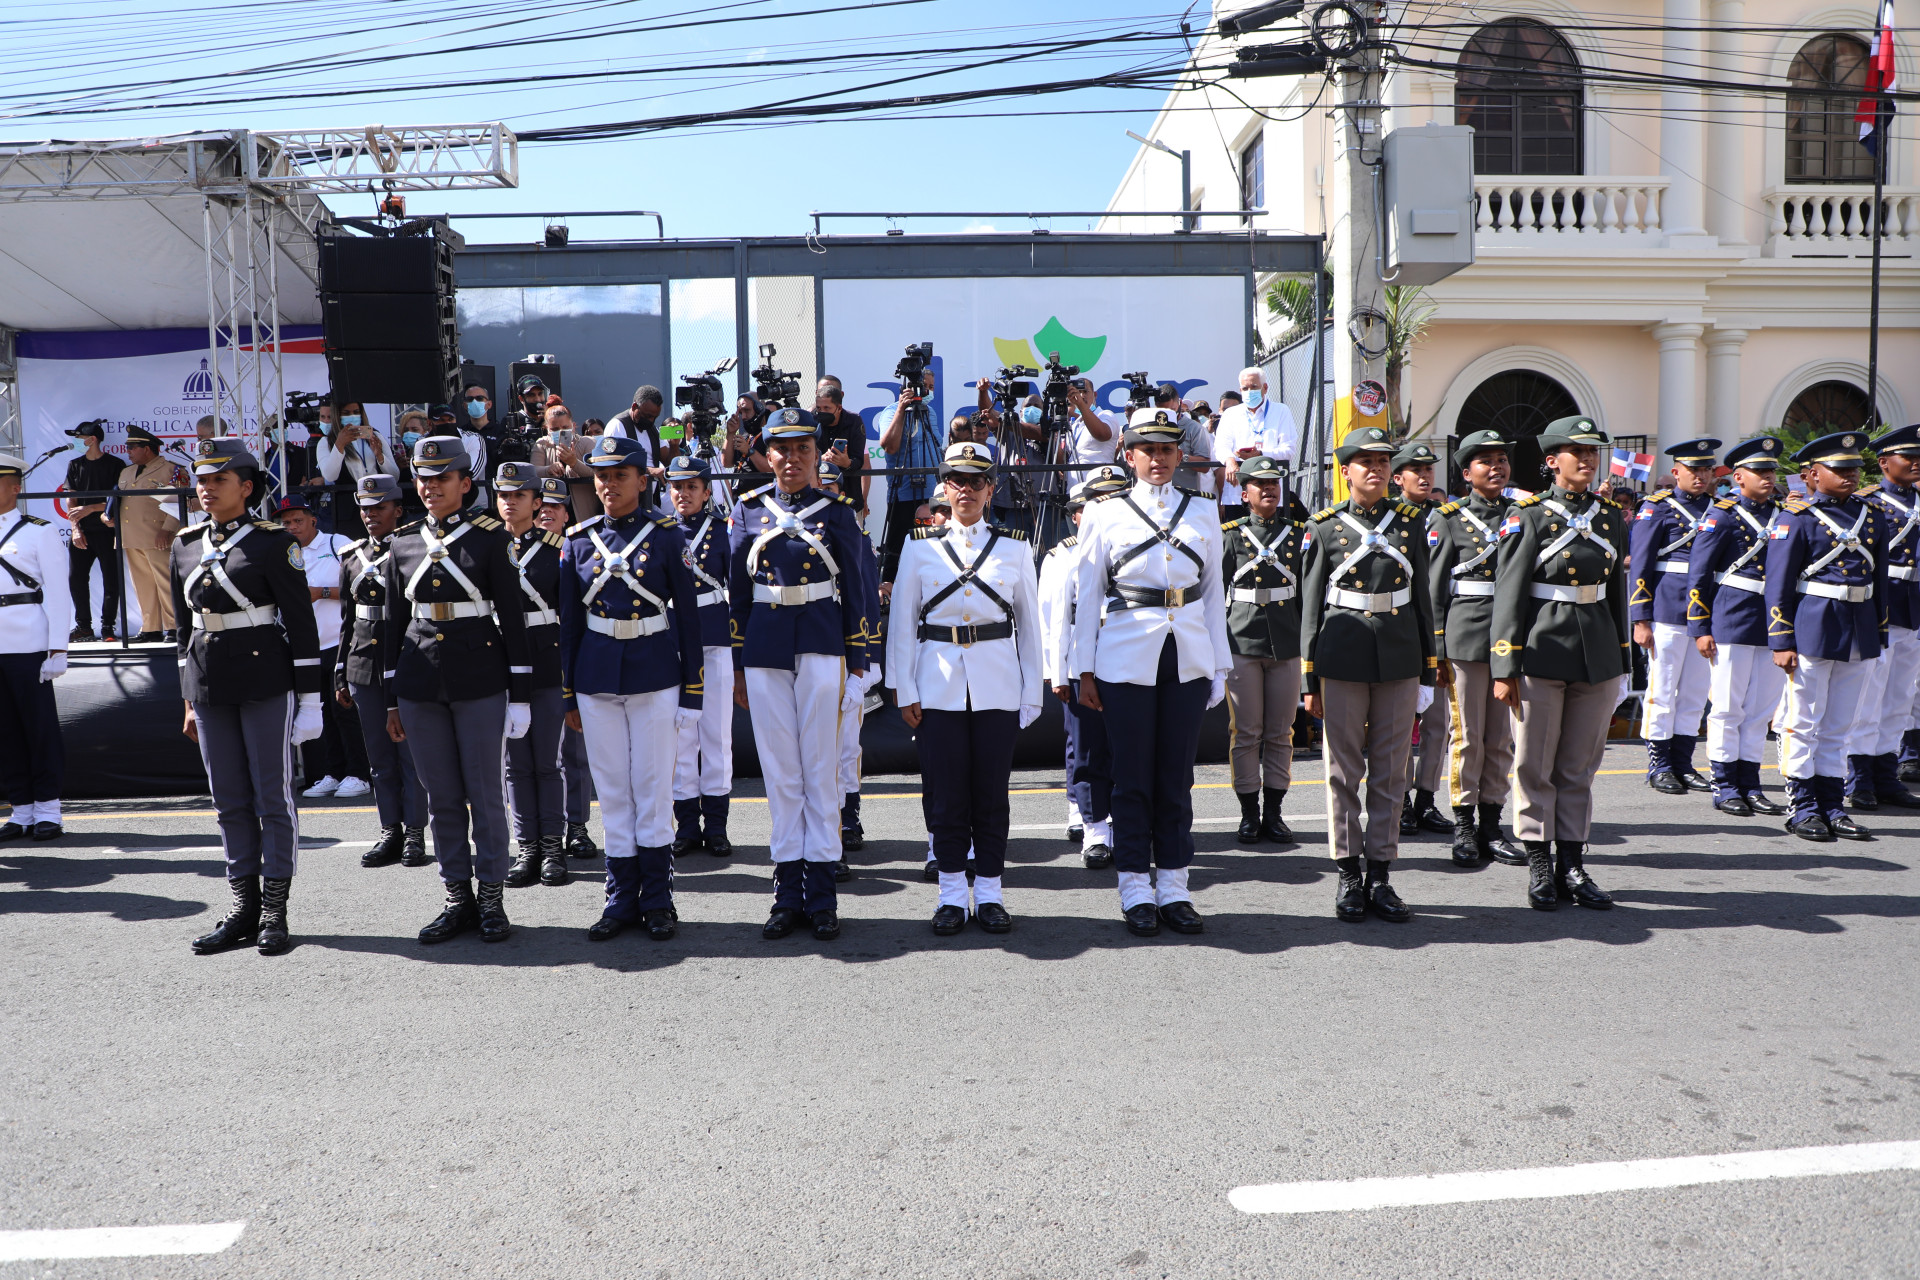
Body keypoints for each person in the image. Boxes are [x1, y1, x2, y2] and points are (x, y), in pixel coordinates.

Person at [1072, 409, 1231, 938]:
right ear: (1129, 454)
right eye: (1148, 449)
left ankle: (1175, 887)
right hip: (1124, 655)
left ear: (1180, 455)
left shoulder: (1202, 509)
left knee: (1176, 778)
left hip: (1187, 654)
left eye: (1166, 449)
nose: (1158, 459)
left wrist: (1219, 664)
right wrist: (1083, 669)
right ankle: (1135, 886)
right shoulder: (1104, 512)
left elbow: (1212, 593)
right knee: (1132, 778)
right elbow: (1088, 597)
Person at [173, 438, 324, 955]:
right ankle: (244, 908)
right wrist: (187, 700)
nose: (207, 488)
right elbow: (183, 630)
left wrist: (311, 701)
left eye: (219, 479)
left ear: (246, 487)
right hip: (208, 683)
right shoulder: (185, 544)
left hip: (264, 680)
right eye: (202, 479)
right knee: (228, 801)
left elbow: (301, 625)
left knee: (272, 798)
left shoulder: (273, 543)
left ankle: (275, 910)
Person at [730, 407, 874, 941]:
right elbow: (737, 593)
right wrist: (739, 663)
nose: (792, 459)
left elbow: (857, 589)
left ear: (815, 454)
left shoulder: (837, 512)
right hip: (765, 648)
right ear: (767, 455)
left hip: (820, 643)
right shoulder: (747, 510)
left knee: (820, 771)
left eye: (802, 450)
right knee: (780, 773)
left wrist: (858, 662)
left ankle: (823, 895)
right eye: (782, 450)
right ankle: (787, 893)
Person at [384, 436, 534, 944]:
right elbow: (392, 625)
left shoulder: (491, 538)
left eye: (442, 478)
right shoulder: (403, 542)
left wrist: (520, 695)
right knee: (441, 797)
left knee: (485, 793)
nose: (430, 487)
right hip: (420, 682)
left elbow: (513, 619)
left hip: (479, 678)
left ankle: (490, 896)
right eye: (423, 479)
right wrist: (391, 697)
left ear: (465, 483)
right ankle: (457, 897)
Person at [889, 441, 1042, 934]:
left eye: (977, 482)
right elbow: (902, 623)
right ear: (945, 487)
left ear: (991, 489)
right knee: (947, 796)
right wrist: (905, 689)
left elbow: (1030, 626)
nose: (967, 490)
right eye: (958, 481)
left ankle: (991, 894)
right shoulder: (919, 547)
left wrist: (1032, 691)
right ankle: (952, 895)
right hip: (938, 686)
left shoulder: (1015, 547)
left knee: (992, 795)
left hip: (998, 684)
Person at [560, 435, 705, 941]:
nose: (608, 485)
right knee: (613, 792)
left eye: (619, 475)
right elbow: (570, 626)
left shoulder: (666, 537)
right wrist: (568, 692)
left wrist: (693, 691)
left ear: (642, 481)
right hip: (597, 677)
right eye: (601, 476)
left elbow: (689, 619)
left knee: (652, 787)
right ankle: (620, 899)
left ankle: (658, 899)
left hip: (654, 674)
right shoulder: (578, 541)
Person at [1488, 415, 1630, 910]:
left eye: (1593, 452)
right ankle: (1539, 863)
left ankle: (1572, 862)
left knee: (1579, 765)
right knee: (1535, 763)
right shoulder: (1527, 515)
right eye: (1578, 452)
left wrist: (1622, 659)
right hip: (1542, 648)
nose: (1588, 459)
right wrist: (1504, 667)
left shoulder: (1609, 516)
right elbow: (1508, 594)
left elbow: (1616, 593)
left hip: (1597, 652)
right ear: (1552, 461)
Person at [1299, 426, 1439, 924]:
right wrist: (1308, 678)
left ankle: (1380, 873)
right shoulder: (1323, 527)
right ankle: (1347, 873)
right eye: (1366, 461)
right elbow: (1310, 606)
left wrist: (1428, 669)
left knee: (1391, 771)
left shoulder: (1410, 523)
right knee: (1342, 772)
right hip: (1342, 658)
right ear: (1346, 472)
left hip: (1399, 658)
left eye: (1383, 461)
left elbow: (1422, 599)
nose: (1376, 468)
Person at [1765, 431, 1889, 842]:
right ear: (1814, 474)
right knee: (1803, 721)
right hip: (1813, 627)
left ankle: (1833, 805)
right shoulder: (1796, 518)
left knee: (1840, 724)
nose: (1850, 474)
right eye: (1840, 468)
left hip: (1859, 627)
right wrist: (1781, 639)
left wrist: (1879, 631)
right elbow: (1778, 585)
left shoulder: (1872, 515)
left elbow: (1879, 581)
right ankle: (1802, 806)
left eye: (1854, 468)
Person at [1425, 430, 1528, 866]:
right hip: (1466, 635)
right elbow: (1434, 589)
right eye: (1486, 461)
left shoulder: (1522, 515)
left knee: (1501, 737)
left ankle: (1491, 822)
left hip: (1511, 638)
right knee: (1467, 735)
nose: (1497, 467)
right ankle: (1464, 824)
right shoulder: (1447, 519)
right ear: (1467, 474)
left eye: (1502, 460)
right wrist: (1436, 649)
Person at [1683, 436, 1792, 817]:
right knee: (1728, 708)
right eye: (1759, 471)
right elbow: (1699, 574)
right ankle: (1725, 784)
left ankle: (1750, 783)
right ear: (1739, 477)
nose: (1768, 477)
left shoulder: (1784, 515)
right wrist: (1700, 627)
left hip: (1772, 622)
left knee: (1761, 710)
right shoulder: (1722, 516)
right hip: (1732, 618)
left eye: (1771, 471)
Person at [335, 473, 430, 869]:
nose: (371, 514)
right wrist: (340, 669)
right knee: (379, 756)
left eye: (380, 507)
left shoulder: (411, 550)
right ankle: (390, 829)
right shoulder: (352, 555)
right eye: (365, 508)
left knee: (410, 754)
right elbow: (347, 619)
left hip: (404, 661)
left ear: (397, 510)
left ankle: (415, 832)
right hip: (363, 665)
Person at [492, 462, 571, 891]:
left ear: (537, 502)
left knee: (547, 762)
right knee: (514, 764)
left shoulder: (557, 549)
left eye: (518, 495)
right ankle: (527, 847)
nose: (510, 502)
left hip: (546, 663)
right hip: (501, 664)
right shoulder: (487, 544)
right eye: (503, 495)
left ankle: (553, 846)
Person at [1219, 454, 1306, 845]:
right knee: (1246, 731)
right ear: (1245, 493)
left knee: (1281, 731)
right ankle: (1248, 813)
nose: (1269, 489)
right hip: (1242, 639)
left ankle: (1274, 812)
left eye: (1274, 483)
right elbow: (1214, 592)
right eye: (1260, 484)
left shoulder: (1298, 533)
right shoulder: (1231, 535)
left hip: (1286, 641)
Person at [1630, 438, 1722, 795]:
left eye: (1706, 470)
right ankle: (1659, 764)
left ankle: (1683, 762)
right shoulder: (1658, 508)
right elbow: (1641, 564)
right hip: (1667, 607)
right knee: (1663, 688)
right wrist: (1641, 619)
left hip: (1707, 612)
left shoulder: (1720, 509)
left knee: (1696, 691)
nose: (1701, 476)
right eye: (1693, 470)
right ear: (1676, 472)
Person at [1843, 424, 1920, 810]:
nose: (1917, 463)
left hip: (1914, 607)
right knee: (1868, 697)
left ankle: (1886, 775)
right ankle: (1858, 777)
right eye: (1910, 456)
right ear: (1885, 462)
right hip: (1881, 606)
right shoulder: (1868, 504)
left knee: (1900, 697)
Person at [664, 454, 737, 860]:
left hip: (714, 638)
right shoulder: (660, 533)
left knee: (716, 736)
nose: (683, 494)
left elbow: (736, 589)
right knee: (680, 737)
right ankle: (688, 826)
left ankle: (718, 826)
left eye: (691, 487)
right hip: (675, 640)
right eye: (677, 487)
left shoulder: (723, 531)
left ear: (707, 492)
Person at [0, 453, 74, 841]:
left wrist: (58, 648)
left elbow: (59, 593)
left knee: (38, 729)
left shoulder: (38, 531)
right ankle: (21, 810)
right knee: (5, 732)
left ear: (16, 487)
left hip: (28, 641)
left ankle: (48, 809)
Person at [275, 496, 369, 800]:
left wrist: (322, 592)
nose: (292, 527)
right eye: (286, 523)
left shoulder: (336, 543)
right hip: (308, 647)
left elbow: (363, 587)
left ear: (313, 520)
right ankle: (333, 772)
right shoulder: (283, 552)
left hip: (342, 643)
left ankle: (359, 774)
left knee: (345, 711)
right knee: (321, 713)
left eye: (297, 521)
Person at [1390, 441, 1456, 837]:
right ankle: (1398, 801)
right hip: (1402, 631)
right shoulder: (1389, 519)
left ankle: (1426, 799)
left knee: (1437, 723)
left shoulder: (1445, 517)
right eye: (1417, 470)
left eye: (1429, 469)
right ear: (1398, 478)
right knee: (1399, 724)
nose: (1425, 476)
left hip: (1437, 632)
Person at [534, 477, 599, 861]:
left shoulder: (580, 550)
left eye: (555, 507)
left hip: (569, 656)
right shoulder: (515, 550)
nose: (547, 512)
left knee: (574, 751)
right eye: (541, 506)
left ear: (566, 515)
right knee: (531, 756)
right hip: (533, 659)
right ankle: (542, 832)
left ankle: (576, 826)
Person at [818, 463, 878, 873]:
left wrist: (866, 660)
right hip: (816, 649)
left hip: (846, 652)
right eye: (821, 485)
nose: (826, 492)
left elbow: (867, 599)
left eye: (832, 486)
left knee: (847, 746)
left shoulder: (855, 533)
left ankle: (849, 818)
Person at [109, 427, 186, 642]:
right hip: (130, 535)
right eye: (127, 447)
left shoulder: (172, 470)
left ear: (147, 448)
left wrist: (167, 529)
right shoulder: (126, 472)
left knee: (166, 583)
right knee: (142, 585)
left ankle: (174, 626)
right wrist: (109, 517)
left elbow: (180, 504)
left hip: (158, 535)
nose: (128, 451)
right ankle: (151, 628)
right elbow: (122, 501)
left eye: (132, 447)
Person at [877, 366, 945, 582]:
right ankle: (889, 592)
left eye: (931, 387)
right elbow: (889, 447)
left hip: (931, 493)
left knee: (935, 548)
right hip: (903, 495)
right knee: (898, 551)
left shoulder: (930, 412)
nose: (927, 391)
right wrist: (901, 409)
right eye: (924, 385)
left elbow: (936, 447)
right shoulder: (891, 411)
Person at [1213, 366, 1299, 521]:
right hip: (1236, 493)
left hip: (1269, 494)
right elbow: (1220, 446)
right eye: (1245, 389)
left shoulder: (1281, 411)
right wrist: (1230, 460)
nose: (1249, 392)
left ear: (1265, 388)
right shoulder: (1231, 414)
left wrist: (1260, 454)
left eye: (1254, 387)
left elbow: (1288, 450)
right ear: (1240, 390)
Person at [62, 420, 122, 643]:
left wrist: (91, 508)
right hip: (82, 532)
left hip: (107, 531)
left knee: (111, 580)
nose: (76, 442)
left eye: (79, 438)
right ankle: (84, 627)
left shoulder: (116, 465)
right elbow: (70, 498)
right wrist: (75, 529)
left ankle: (108, 627)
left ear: (92, 439)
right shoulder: (74, 464)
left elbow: (119, 499)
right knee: (76, 579)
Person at [315, 402, 398, 540]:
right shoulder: (326, 442)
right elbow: (330, 475)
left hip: (380, 504)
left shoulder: (375, 436)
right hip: (349, 512)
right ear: (337, 416)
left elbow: (395, 476)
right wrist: (339, 445)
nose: (352, 416)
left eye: (356, 412)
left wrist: (380, 456)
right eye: (346, 413)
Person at [531, 399, 598, 521]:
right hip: (552, 513)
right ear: (547, 429)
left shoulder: (587, 442)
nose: (561, 432)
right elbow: (532, 471)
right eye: (555, 429)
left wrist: (574, 463)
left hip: (583, 514)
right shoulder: (542, 444)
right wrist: (548, 470)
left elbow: (597, 472)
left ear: (573, 426)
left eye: (565, 427)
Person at [814, 380, 871, 515]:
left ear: (839, 408)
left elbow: (859, 460)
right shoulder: (812, 421)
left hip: (850, 497)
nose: (822, 412)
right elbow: (805, 456)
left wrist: (847, 463)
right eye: (819, 408)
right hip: (817, 498)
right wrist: (820, 459)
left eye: (827, 408)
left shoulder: (854, 421)